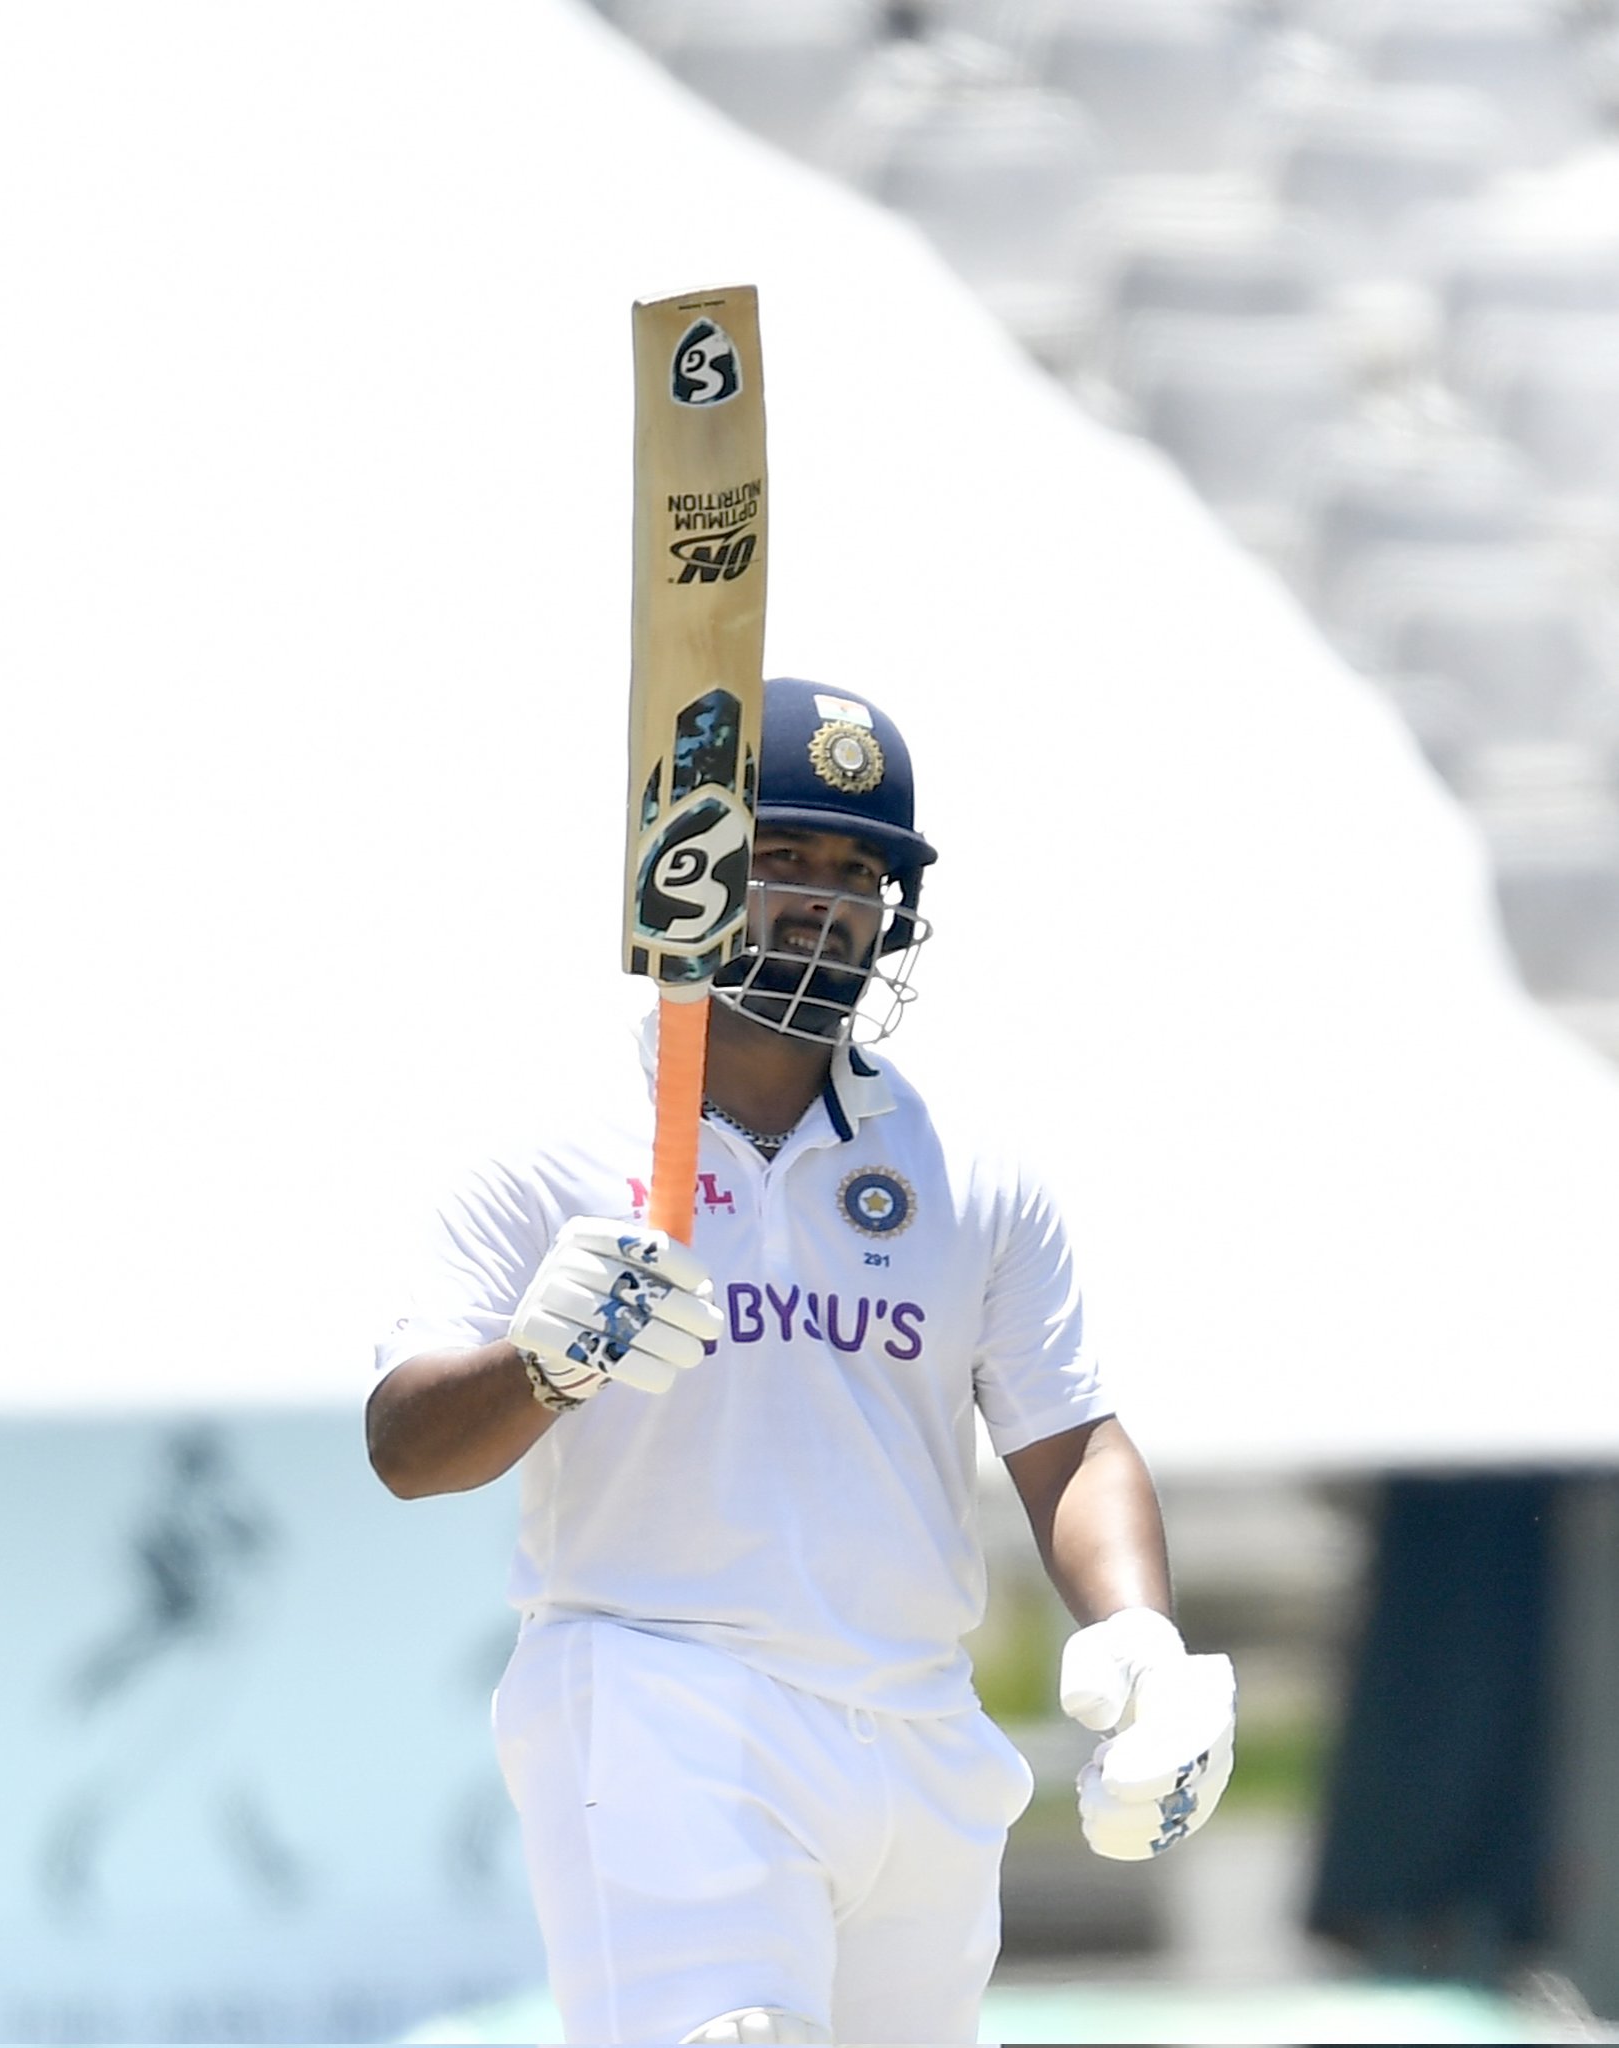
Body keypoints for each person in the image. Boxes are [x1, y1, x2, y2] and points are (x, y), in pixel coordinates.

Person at [366, 677, 1237, 2047]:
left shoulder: (970, 1172)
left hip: (915, 1729)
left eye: (857, 872)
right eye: (783, 859)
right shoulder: (551, 1146)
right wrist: (540, 1365)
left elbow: (1066, 1438)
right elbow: (406, 1450)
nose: (824, 902)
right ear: (693, 873)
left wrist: (1141, 1635)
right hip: (657, 1693)